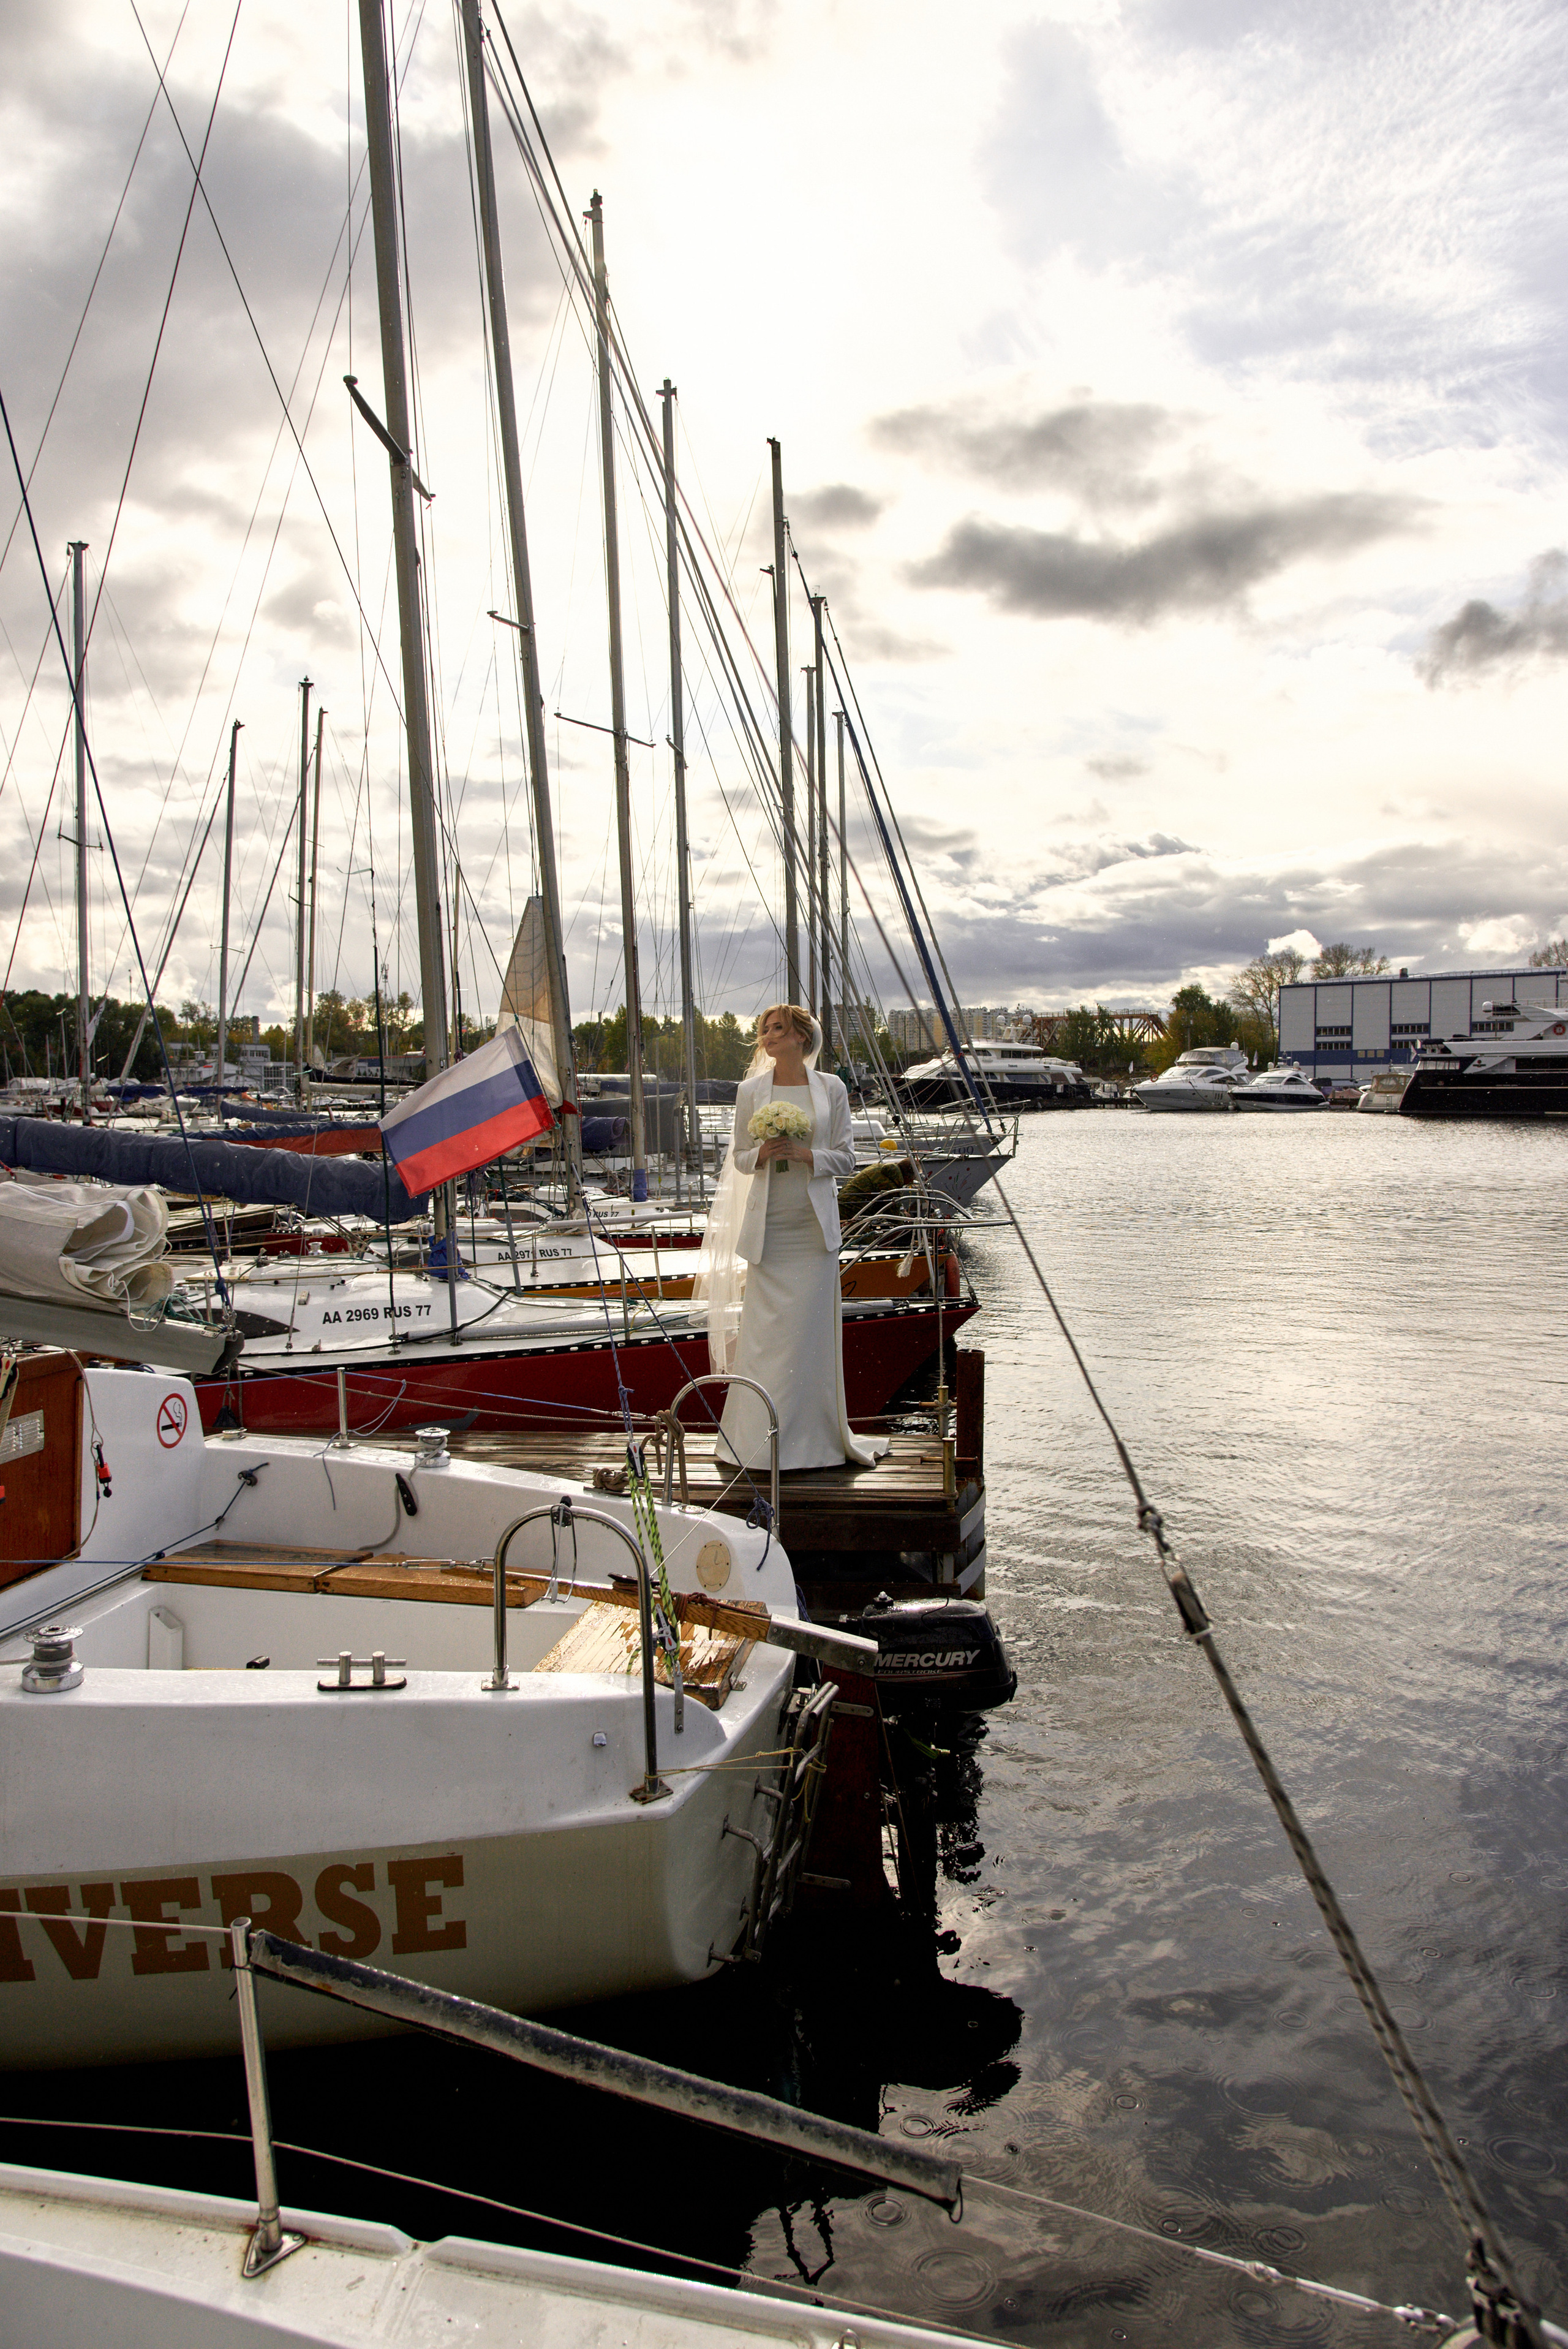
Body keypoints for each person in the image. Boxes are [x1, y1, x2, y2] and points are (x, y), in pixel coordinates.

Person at [701, 1002, 886, 1472]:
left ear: (802, 1036)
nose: (767, 1036)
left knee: (809, 1339)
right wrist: (762, 1154)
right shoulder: (750, 1091)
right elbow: (739, 1158)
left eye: (778, 1028)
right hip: (770, 1230)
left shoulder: (832, 1088)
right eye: (764, 1029)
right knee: (763, 1340)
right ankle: (755, 1440)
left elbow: (846, 1158)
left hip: (812, 1231)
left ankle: (814, 1442)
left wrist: (808, 1156)